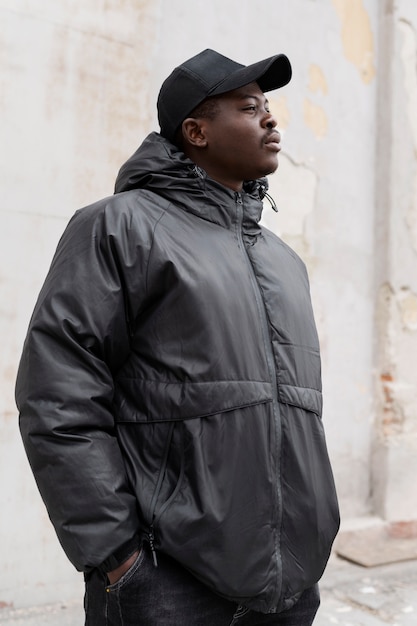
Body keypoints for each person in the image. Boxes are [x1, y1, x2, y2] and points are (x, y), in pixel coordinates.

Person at [16, 49, 340, 625]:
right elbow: (57, 396)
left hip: (290, 584)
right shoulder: (119, 226)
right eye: (248, 107)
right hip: (169, 583)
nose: (271, 120)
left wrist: (312, 544)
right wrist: (119, 558)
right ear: (197, 132)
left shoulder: (285, 261)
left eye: (269, 106)